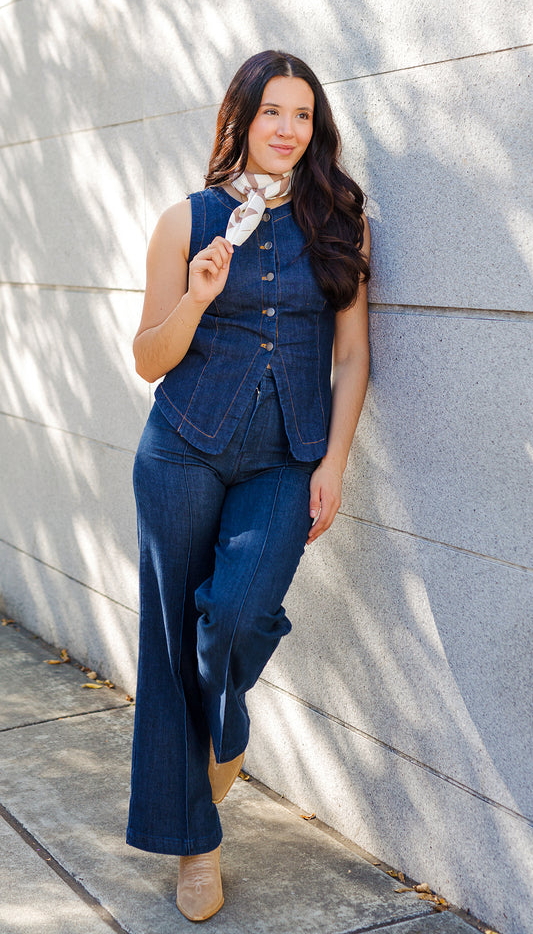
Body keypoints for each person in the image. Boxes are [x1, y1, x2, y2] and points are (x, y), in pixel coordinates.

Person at [127, 49, 371, 922]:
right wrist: (194, 298)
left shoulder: (341, 220)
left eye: (303, 115)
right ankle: (196, 846)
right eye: (273, 111)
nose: (288, 129)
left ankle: (225, 730)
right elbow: (150, 357)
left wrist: (333, 462)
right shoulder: (184, 220)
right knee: (170, 641)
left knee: (233, 614)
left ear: (317, 129)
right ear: (242, 119)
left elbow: (351, 355)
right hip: (181, 452)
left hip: (283, 459)